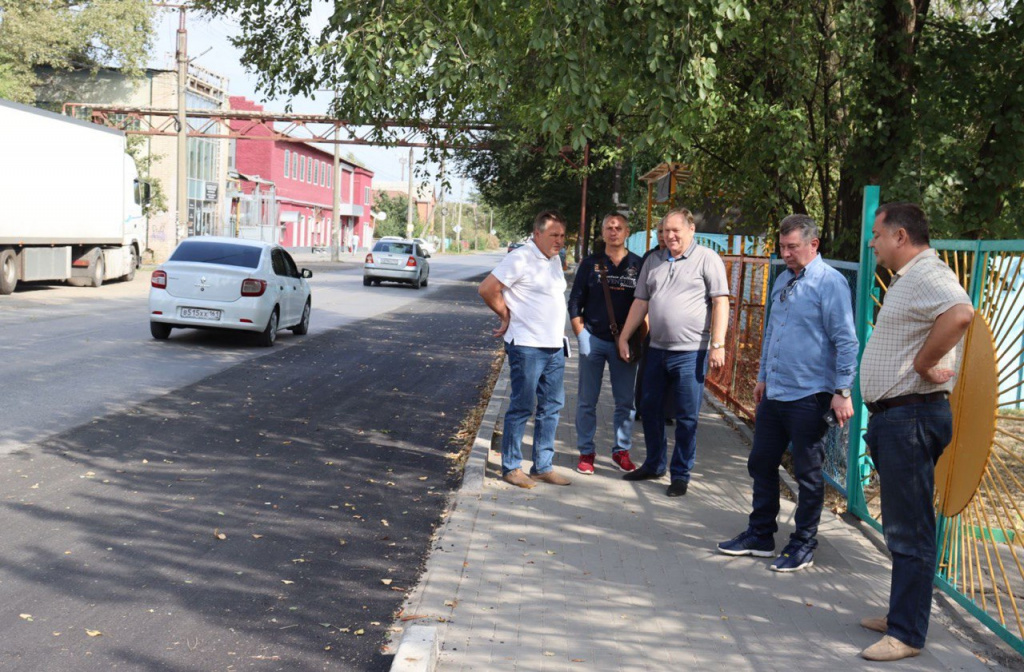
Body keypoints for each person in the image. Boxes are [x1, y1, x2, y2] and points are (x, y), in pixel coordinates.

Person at [856, 202, 973, 661]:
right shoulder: (913, 278)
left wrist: (924, 363)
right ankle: (901, 613)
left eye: (877, 235)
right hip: (898, 417)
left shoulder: (928, 273)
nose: (872, 243)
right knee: (902, 525)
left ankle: (906, 634)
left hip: (911, 417)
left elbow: (960, 314)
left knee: (912, 530)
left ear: (900, 236)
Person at [717, 214, 859, 572]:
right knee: (761, 462)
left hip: (810, 395)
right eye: (782, 247)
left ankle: (803, 543)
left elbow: (846, 340)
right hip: (777, 392)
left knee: (808, 474)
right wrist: (763, 375)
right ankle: (761, 534)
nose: (786, 253)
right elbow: (771, 332)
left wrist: (843, 390)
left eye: (792, 247)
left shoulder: (831, 283)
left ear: (814, 245)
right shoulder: (783, 279)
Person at [616, 207, 730, 497]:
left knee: (687, 416)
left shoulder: (707, 259)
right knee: (650, 408)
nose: (670, 236)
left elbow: (720, 303)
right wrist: (625, 338)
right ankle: (654, 464)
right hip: (656, 349)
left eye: (676, 230)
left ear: (691, 230)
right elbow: (640, 302)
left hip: (691, 352)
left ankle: (681, 474)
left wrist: (718, 343)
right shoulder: (653, 260)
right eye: (666, 230)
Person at [479, 210, 572, 489]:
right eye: (554, 235)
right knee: (522, 406)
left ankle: (542, 467)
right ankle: (511, 467)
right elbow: (487, 288)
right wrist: (505, 314)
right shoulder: (520, 258)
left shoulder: (554, 259)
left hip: (554, 346)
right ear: (537, 234)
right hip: (528, 346)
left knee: (552, 406)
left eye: (562, 235)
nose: (559, 240)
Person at [567, 212, 644, 475]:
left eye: (619, 228)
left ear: (627, 232)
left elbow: (646, 304)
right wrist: (582, 336)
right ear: (603, 233)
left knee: (625, 401)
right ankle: (586, 452)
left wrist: (639, 337)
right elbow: (575, 302)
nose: (614, 232)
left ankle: (620, 451)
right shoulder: (590, 264)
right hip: (594, 339)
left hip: (626, 344)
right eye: (609, 227)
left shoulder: (638, 264)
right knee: (587, 401)